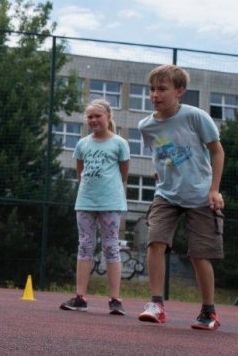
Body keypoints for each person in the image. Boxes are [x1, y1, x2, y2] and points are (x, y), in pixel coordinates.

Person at [137, 65, 226, 330]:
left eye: (162, 89)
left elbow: (217, 152)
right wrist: (160, 171)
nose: (155, 94)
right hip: (166, 194)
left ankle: (208, 311)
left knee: (200, 254)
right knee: (155, 241)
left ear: (179, 91)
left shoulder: (196, 116)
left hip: (200, 194)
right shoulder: (146, 125)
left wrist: (214, 190)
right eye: (152, 89)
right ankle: (156, 304)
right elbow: (160, 150)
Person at [60, 99, 129, 315]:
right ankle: (80, 297)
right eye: (90, 117)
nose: (93, 120)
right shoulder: (82, 144)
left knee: (111, 247)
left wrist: (108, 189)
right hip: (85, 202)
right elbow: (79, 171)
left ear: (108, 117)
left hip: (110, 202)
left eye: (97, 116)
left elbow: (124, 174)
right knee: (85, 246)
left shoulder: (119, 143)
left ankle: (115, 300)